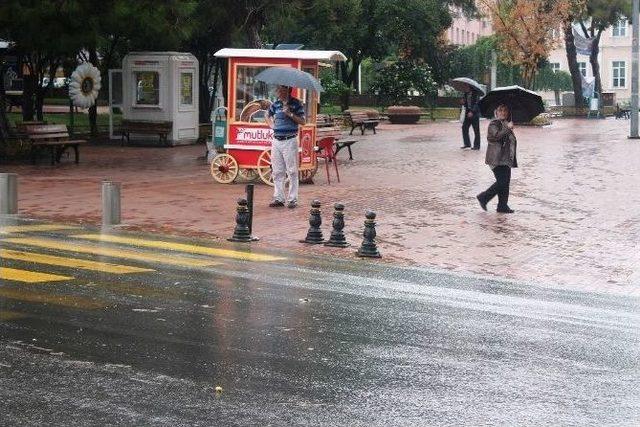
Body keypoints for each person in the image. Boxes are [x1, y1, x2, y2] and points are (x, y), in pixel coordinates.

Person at [265, 85, 306, 209]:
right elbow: (267, 115)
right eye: (278, 90)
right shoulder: (275, 104)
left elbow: (303, 121)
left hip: (290, 140)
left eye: (281, 90)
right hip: (277, 140)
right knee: (277, 171)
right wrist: (272, 126)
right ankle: (279, 198)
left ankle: (293, 199)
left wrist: (290, 114)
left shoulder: (296, 104)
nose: (278, 92)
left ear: (288, 90)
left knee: (292, 171)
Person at [476, 104, 517, 213]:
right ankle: (483, 197)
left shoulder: (505, 123)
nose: (503, 113)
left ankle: (502, 206)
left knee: (505, 183)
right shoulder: (494, 124)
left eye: (505, 111)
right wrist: (508, 128)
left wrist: (508, 128)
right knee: (502, 182)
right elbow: (495, 136)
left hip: (505, 159)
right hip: (496, 159)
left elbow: (509, 140)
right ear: (496, 112)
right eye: (500, 110)